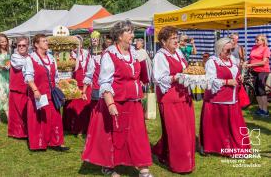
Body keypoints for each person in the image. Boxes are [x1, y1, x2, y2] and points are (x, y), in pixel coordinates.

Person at [82, 20, 153, 177]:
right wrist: (110, 103)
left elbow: (140, 77)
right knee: (114, 136)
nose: (133, 35)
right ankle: (109, 166)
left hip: (134, 102)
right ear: (120, 36)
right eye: (129, 31)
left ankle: (143, 168)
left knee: (137, 135)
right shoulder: (109, 55)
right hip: (116, 102)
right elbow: (105, 81)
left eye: (132, 31)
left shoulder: (134, 53)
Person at [152, 26, 195, 173]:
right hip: (169, 97)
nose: (177, 41)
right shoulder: (160, 56)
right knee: (177, 132)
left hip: (184, 95)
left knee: (187, 130)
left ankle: (163, 152)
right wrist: (176, 77)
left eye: (177, 38)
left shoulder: (178, 53)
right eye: (173, 39)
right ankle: (180, 164)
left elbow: (185, 69)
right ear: (163, 42)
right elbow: (158, 78)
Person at [200, 37, 251, 156]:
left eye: (231, 50)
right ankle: (211, 147)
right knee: (217, 127)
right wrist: (227, 82)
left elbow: (234, 73)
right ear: (219, 50)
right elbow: (209, 81)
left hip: (232, 99)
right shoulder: (212, 62)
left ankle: (234, 147)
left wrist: (239, 77)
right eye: (227, 51)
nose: (230, 53)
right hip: (217, 100)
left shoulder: (232, 59)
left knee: (234, 126)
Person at [23, 34, 69, 151]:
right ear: (36, 44)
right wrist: (35, 90)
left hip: (52, 94)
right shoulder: (31, 59)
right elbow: (28, 77)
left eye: (46, 41)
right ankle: (39, 144)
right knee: (40, 119)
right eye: (44, 41)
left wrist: (60, 88)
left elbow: (56, 76)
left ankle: (56, 142)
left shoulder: (51, 58)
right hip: (40, 95)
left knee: (55, 118)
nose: (46, 43)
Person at [63, 36, 92, 136]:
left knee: (85, 105)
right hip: (73, 84)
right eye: (74, 44)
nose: (76, 46)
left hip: (85, 84)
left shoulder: (87, 54)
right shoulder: (68, 55)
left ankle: (84, 128)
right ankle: (73, 128)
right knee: (73, 106)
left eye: (78, 43)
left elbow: (90, 68)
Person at [8, 37, 29, 138]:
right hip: (17, 87)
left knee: (26, 111)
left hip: (27, 88)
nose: (21, 47)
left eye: (23, 45)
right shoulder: (15, 56)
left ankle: (27, 131)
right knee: (17, 112)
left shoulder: (29, 56)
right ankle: (17, 133)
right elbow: (19, 65)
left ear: (27, 46)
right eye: (19, 45)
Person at [244, 34, 270, 117]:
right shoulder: (253, 47)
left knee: (261, 89)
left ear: (263, 41)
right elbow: (251, 59)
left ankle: (265, 111)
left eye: (257, 40)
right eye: (255, 39)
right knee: (256, 90)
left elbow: (264, 62)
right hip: (254, 71)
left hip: (263, 71)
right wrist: (247, 62)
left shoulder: (266, 49)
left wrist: (251, 65)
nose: (256, 41)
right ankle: (260, 109)